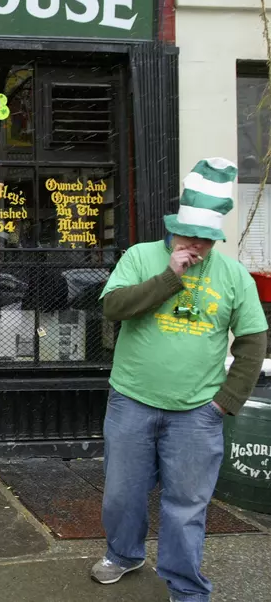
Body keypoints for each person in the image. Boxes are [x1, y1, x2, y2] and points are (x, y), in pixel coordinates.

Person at [92, 158, 268, 602]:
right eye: (190, 236)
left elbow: (253, 339)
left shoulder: (232, 276)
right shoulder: (140, 257)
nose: (198, 246)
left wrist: (227, 401)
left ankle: (186, 587)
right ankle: (124, 554)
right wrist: (170, 276)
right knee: (121, 495)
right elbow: (114, 308)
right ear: (173, 230)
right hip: (132, 399)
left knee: (186, 508)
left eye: (207, 239)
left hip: (197, 411)